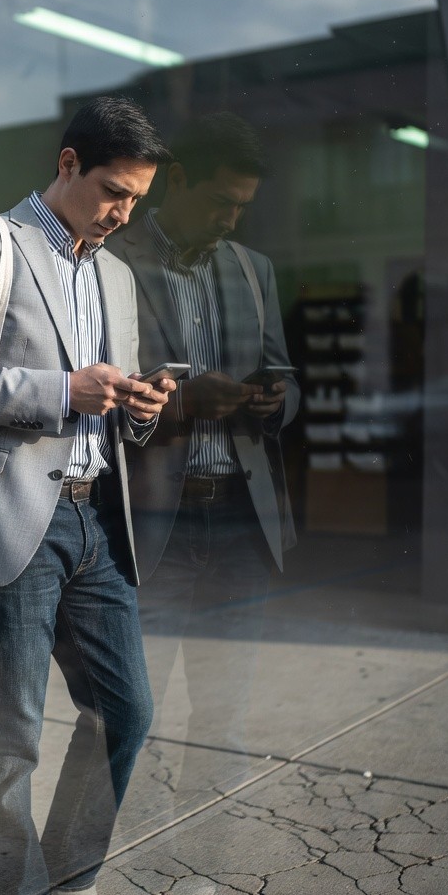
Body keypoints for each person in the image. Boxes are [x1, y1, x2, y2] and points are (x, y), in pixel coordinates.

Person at [0, 97, 175, 895]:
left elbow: (112, 411)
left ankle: (69, 879)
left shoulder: (119, 274)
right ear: (67, 165)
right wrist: (62, 391)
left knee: (125, 711)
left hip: (99, 521)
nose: (123, 213)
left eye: (137, 199)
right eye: (111, 191)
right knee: (12, 727)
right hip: (11, 523)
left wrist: (139, 406)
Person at [107, 112, 299, 795]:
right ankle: (122, 857)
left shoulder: (254, 271)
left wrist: (278, 402)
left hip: (243, 524)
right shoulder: (113, 260)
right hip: (155, 521)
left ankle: (202, 864)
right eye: (222, 201)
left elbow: (286, 374)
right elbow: (93, 390)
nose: (232, 220)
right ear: (177, 179)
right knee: (134, 710)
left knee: (225, 714)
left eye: (244, 207)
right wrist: (183, 402)